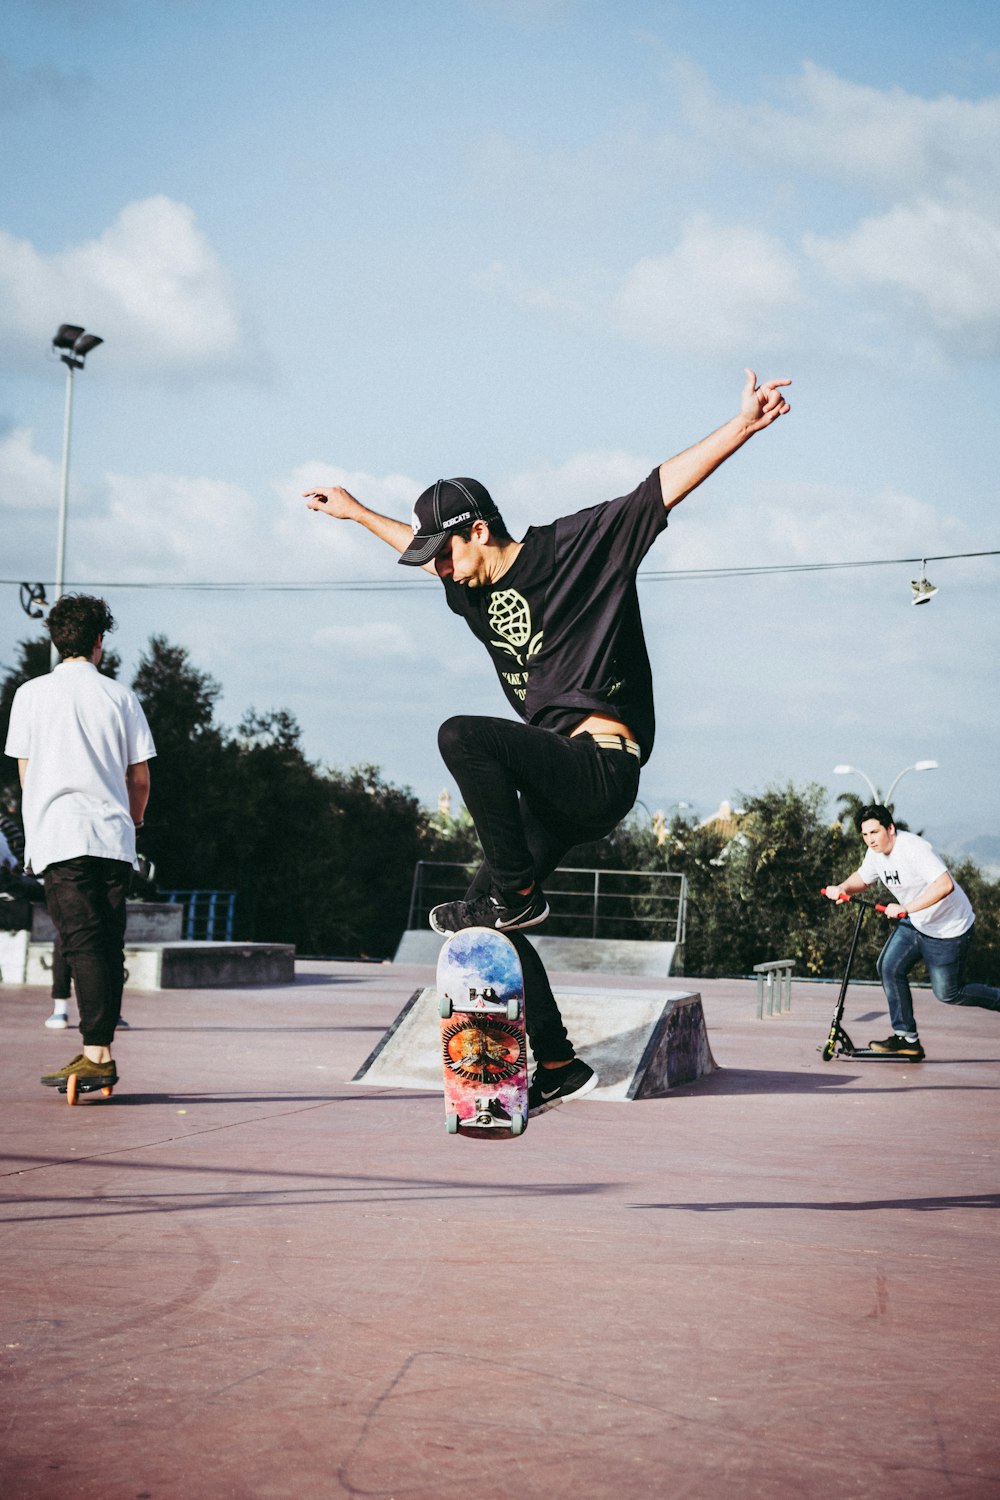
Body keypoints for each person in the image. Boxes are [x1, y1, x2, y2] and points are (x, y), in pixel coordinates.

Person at [306, 368, 790, 1111]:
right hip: (556, 781)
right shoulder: (468, 585)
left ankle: (517, 891)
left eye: (445, 554)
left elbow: (656, 490)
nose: (439, 571)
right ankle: (558, 1062)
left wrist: (743, 425)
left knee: (462, 736)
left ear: (478, 531)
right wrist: (356, 512)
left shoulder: (577, 547)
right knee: (476, 928)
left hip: (600, 766)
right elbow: (412, 538)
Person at [4, 595, 155, 1092]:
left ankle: (97, 1055)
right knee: (107, 945)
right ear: (98, 642)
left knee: (82, 942)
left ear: (55, 640)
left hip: (61, 835)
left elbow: (26, 775)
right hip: (113, 838)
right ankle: (98, 1048)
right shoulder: (119, 697)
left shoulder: (30, 695)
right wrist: (132, 824)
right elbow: (140, 778)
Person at [823, 804, 1000, 1059]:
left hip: (949, 929)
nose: (870, 839)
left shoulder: (914, 849)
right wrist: (842, 888)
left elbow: (944, 885)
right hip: (916, 922)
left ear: (891, 829)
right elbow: (863, 878)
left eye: (875, 832)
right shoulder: (875, 853)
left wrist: (906, 908)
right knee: (889, 966)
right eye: (865, 834)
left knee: (949, 993)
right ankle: (906, 1038)